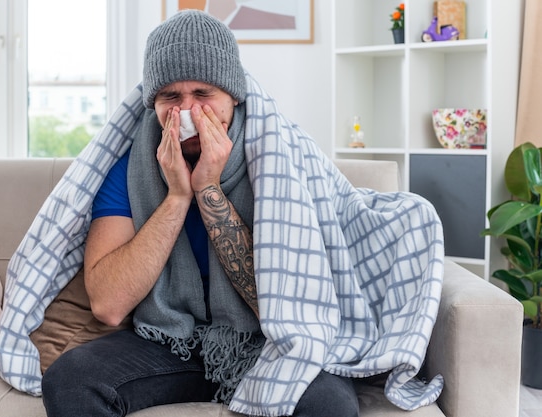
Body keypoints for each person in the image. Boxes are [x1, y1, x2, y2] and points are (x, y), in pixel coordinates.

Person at [41, 9, 360, 417]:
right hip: (168, 339)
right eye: (170, 97)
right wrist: (177, 197)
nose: (187, 112)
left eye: (203, 94)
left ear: (234, 97)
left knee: (328, 405)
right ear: (152, 103)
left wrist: (209, 189)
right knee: (71, 379)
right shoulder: (130, 166)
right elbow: (108, 304)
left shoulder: (278, 162)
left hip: (267, 340)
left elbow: (283, 304)